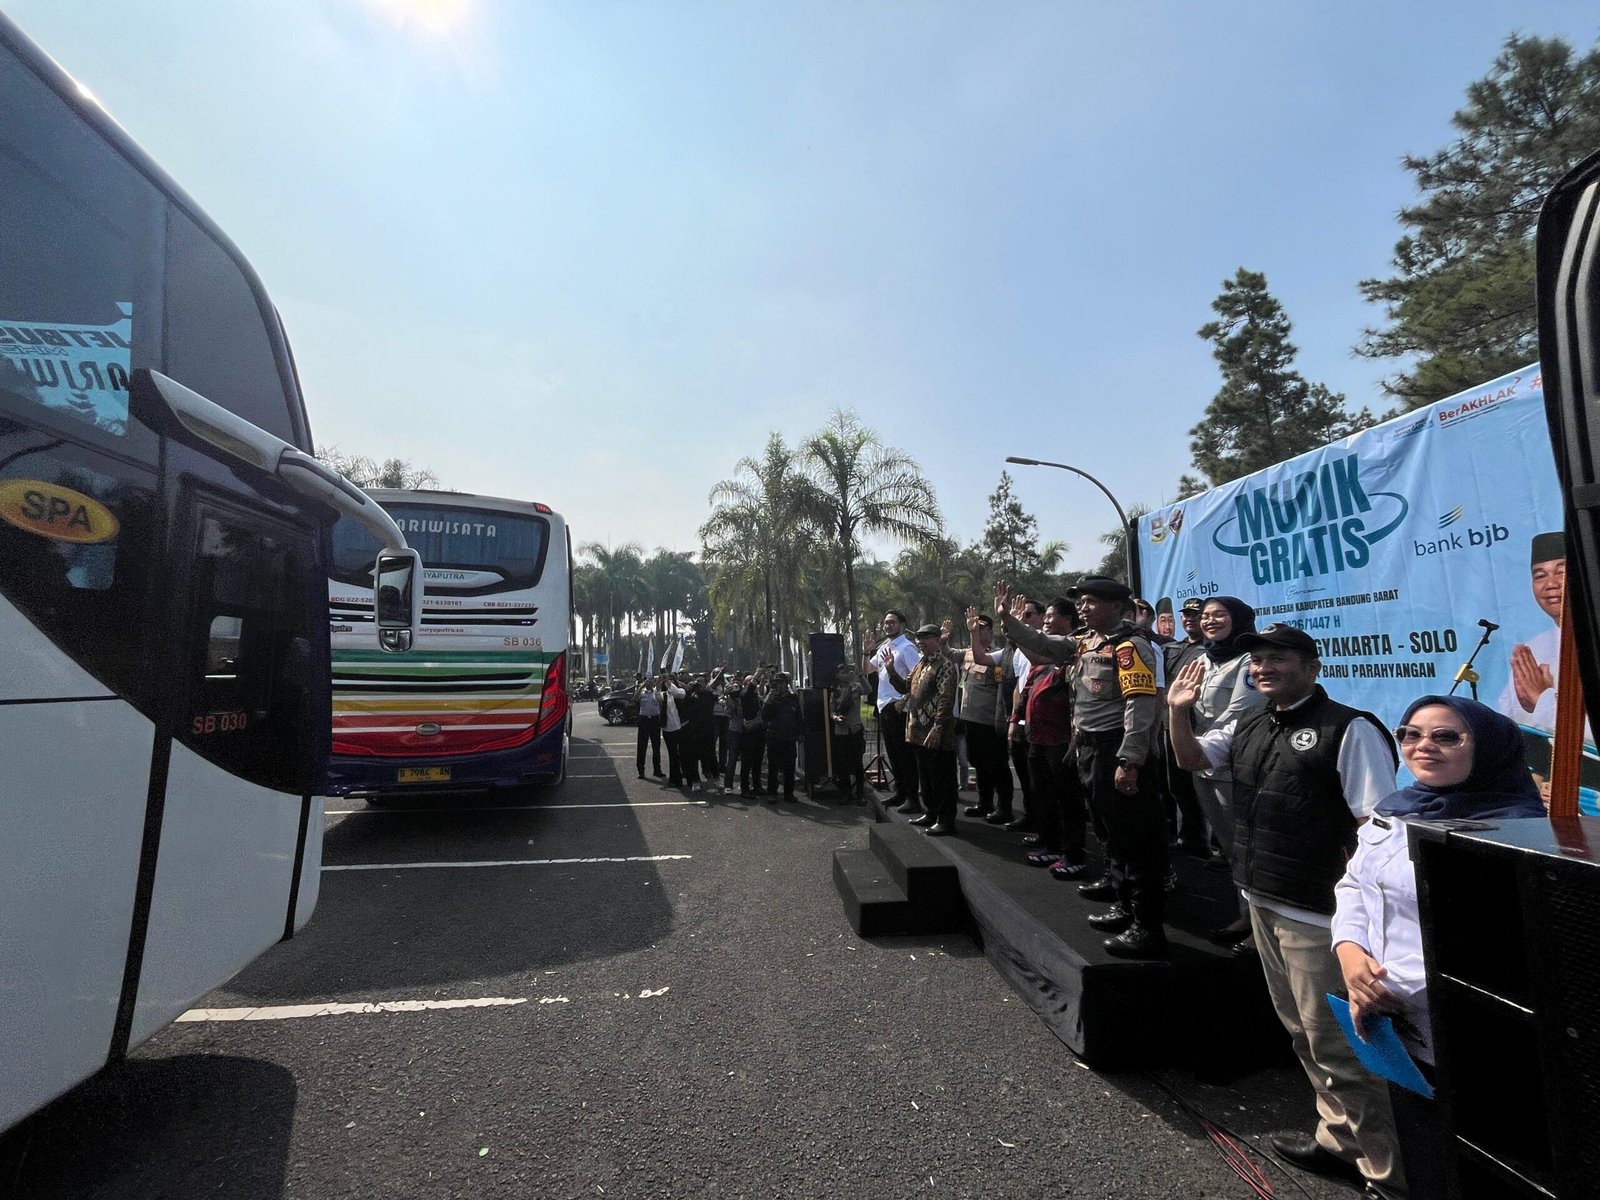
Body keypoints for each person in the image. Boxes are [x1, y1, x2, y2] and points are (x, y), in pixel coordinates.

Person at [1167, 623, 1406, 1196]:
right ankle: (1339, 1140)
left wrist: (1362, 926)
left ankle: (1391, 1175)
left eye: (1277, 657)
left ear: (1312, 666)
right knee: (1301, 1032)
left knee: (1343, 1047)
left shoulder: (1350, 729)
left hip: (1319, 914)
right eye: (1256, 660)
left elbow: (1378, 833)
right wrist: (1177, 711)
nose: (1263, 667)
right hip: (1261, 897)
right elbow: (1193, 758)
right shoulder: (1251, 720)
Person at [1333, 695, 1544, 1200]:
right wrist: (1349, 951)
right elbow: (1354, 885)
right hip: (1393, 1023)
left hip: (1470, 1032)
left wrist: (1383, 992)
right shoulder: (1396, 809)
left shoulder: (1514, 832)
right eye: (1410, 734)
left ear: (1487, 747)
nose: (1423, 745)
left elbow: (1488, 941)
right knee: (1423, 1150)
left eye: (1446, 736)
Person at [1063, 576, 1167, 957]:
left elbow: (1140, 706)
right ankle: (1125, 906)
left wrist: (1129, 759)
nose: (1082, 608)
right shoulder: (1090, 642)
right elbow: (1048, 647)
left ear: (1116, 607)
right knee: (1112, 835)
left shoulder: (1130, 646)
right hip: (1092, 749)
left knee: (1136, 840)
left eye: (1090, 601)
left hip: (1117, 750)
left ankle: (1147, 927)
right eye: (1080, 602)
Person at [1187, 596, 1267, 947]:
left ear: (1238, 619)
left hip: (1234, 765)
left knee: (1247, 847)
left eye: (1219, 615)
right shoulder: (1202, 660)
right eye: (1205, 616)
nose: (1210, 621)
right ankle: (1246, 915)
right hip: (1203, 765)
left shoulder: (1249, 662)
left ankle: (1259, 926)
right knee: (1231, 847)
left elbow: (1240, 715)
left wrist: (1199, 745)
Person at [996, 587, 1088, 878]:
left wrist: (1075, 735)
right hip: (1038, 738)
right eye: (1044, 616)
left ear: (1068, 620)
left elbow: (1078, 700)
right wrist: (1010, 625)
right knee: (1043, 794)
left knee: (1067, 800)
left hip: (1062, 740)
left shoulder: (1075, 651)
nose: (1046, 621)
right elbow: (1031, 667)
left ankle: (1073, 853)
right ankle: (1051, 844)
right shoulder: (1043, 660)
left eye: (1050, 616)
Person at [1498, 531, 1591, 742]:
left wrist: (1543, 702)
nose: (1551, 584)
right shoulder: (1534, 650)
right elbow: (1512, 723)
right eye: (1540, 575)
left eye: (1562, 571)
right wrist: (1528, 706)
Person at [883, 623, 959, 835]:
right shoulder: (920, 664)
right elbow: (905, 688)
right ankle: (931, 812)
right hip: (917, 730)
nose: (921, 642)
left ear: (937, 640)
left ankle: (945, 820)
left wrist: (938, 726)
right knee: (926, 776)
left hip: (936, 732)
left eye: (925, 638)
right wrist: (891, 670)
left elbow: (946, 698)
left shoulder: (944, 665)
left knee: (941, 777)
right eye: (919, 639)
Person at [1162, 598, 1210, 856]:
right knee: (1177, 785)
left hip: (1198, 725)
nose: (1190, 619)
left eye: (1196, 614)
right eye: (1187, 614)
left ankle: (1210, 843)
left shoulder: (1211, 650)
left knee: (1202, 785)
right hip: (1170, 723)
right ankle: (1189, 838)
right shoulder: (1171, 648)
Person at [955, 609, 1013, 823]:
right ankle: (984, 802)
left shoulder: (997, 655)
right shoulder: (969, 653)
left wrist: (1000, 715)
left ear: (990, 630)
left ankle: (1004, 807)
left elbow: (1001, 688)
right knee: (978, 762)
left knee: (998, 764)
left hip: (989, 719)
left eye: (981, 629)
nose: (977, 632)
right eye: (974, 629)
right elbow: (949, 653)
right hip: (971, 718)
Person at [863, 611, 921, 812]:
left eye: (892, 622)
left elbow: (918, 679)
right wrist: (866, 651)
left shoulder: (907, 648)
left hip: (899, 707)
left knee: (905, 756)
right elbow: (867, 670)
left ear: (902, 625)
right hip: (884, 707)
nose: (888, 626)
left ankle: (913, 798)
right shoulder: (883, 648)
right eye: (886, 623)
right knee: (894, 754)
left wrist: (904, 701)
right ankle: (900, 793)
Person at [1000, 597, 1047, 830]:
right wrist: (1014, 720)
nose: (1024, 619)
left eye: (1028, 615)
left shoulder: (1048, 644)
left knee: (1043, 778)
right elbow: (1020, 687)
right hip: (1023, 718)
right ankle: (1031, 816)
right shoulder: (1020, 650)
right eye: (1021, 615)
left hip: (1044, 721)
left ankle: (1046, 825)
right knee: (1023, 769)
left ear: (1042, 617)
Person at [760, 672, 803, 800]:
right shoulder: (772, 698)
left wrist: (800, 733)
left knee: (789, 766)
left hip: (789, 736)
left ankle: (789, 793)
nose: (779, 685)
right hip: (774, 736)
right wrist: (768, 700)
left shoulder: (792, 698)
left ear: (786, 683)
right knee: (773, 766)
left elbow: (798, 716)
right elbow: (764, 716)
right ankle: (772, 793)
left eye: (781, 683)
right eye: (776, 683)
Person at [830, 662, 867, 802]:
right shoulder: (835, 692)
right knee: (843, 764)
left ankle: (860, 794)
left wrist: (860, 676)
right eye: (842, 673)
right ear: (837, 675)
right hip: (841, 731)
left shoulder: (856, 687)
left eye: (847, 672)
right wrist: (836, 718)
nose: (845, 675)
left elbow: (868, 690)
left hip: (855, 729)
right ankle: (846, 793)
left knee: (857, 763)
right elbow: (832, 711)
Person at [739, 671, 767, 798]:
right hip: (748, 733)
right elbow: (750, 688)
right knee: (746, 762)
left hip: (759, 732)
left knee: (757, 762)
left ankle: (757, 786)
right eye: (749, 682)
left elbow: (761, 690)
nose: (753, 684)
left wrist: (764, 676)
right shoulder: (744, 694)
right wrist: (757, 674)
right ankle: (745, 788)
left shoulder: (757, 696)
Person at [636, 675, 664, 780]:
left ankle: (657, 769)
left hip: (654, 720)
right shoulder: (641, 692)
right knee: (642, 746)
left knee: (656, 746)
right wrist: (641, 686)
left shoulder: (656, 691)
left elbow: (661, 701)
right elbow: (634, 699)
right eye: (647, 681)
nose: (649, 682)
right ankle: (641, 770)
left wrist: (658, 683)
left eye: (651, 680)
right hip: (644, 720)